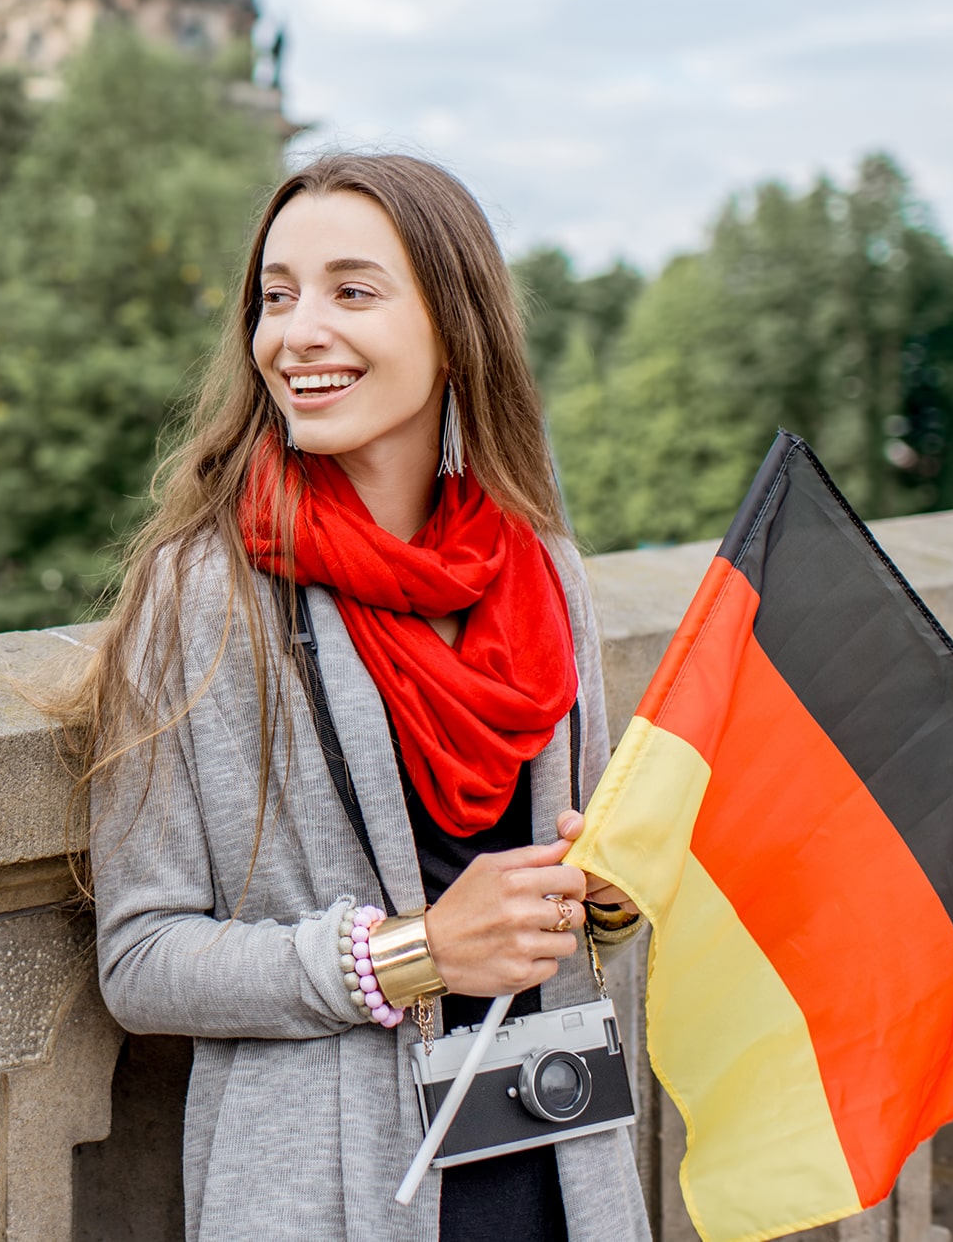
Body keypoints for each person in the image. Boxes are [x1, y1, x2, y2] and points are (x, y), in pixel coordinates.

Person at [77, 153, 649, 1240]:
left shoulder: (542, 572)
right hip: (332, 1196)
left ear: (453, 327)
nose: (296, 333)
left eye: (351, 291)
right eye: (275, 296)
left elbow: (565, 908)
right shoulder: (201, 595)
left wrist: (609, 900)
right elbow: (142, 961)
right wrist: (412, 950)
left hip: (558, 1173)